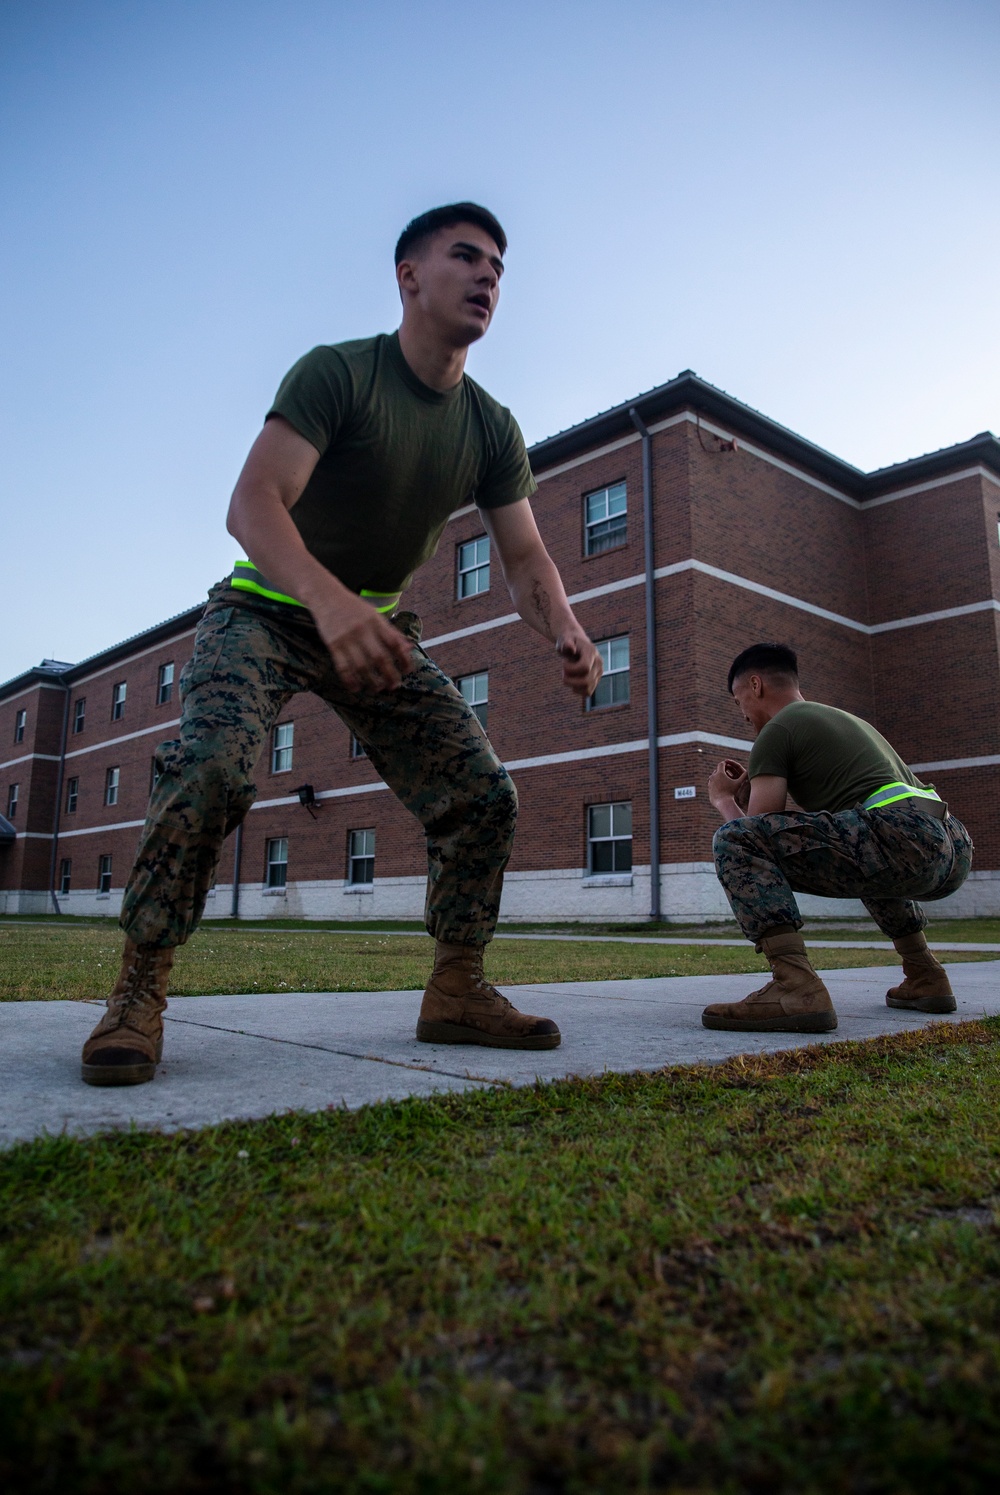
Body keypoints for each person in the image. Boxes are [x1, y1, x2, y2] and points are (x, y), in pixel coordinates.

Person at [81, 202, 602, 1087]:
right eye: (466, 258)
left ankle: (457, 988)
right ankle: (139, 989)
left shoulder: (488, 426)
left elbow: (524, 558)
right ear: (409, 276)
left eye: (499, 269)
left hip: (375, 629)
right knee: (212, 769)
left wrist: (566, 626)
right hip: (267, 610)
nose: (488, 279)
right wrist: (327, 603)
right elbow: (253, 505)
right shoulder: (339, 374)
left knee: (483, 793)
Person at [701, 642, 973, 1033]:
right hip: (950, 844)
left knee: (733, 839)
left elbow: (749, 835)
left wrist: (724, 800)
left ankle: (795, 987)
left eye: (738, 698)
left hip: (899, 835)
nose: (742, 713)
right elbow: (792, 830)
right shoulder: (843, 719)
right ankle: (924, 973)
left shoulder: (777, 729)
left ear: (755, 685)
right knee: (867, 857)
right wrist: (748, 801)